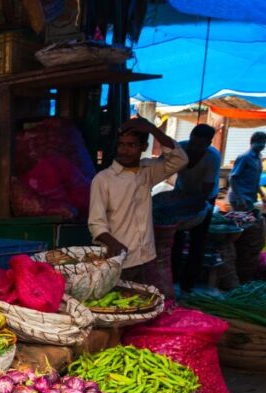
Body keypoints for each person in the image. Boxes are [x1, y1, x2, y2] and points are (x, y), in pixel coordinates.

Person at [89, 117, 188, 283]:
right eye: (121, 145)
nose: (124, 151)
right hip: (119, 260)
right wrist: (115, 245)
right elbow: (96, 223)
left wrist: (153, 129)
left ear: (144, 147)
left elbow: (180, 159)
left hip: (146, 257)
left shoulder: (147, 171)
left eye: (131, 145)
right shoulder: (103, 179)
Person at [152, 124, 221, 292]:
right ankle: (172, 279)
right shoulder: (180, 148)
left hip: (204, 199)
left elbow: (204, 192)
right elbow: (159, 169)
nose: (195, 148)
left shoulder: (213, 158)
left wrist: (183, 207)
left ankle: (188, 285)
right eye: (193, 143)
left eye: (200, 145)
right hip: (181, 193)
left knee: (198, 242)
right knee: (175, 240)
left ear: (208, 143)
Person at [227, 132, 266, 284]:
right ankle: (237, 264)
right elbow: (233, 177)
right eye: (260, 141)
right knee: (242, 230)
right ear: (252, 142)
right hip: (240, 198)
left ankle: (245, 264)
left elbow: (256, 181)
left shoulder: (258, 159)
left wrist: (262, 194)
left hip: (250, 198)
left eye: (264, 141)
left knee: (250, 231)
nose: (262, 144)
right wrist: (239, 197)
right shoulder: (244, 157)